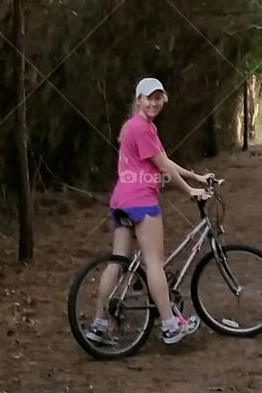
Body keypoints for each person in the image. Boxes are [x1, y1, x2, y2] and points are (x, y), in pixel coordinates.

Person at [86, 77, 212, 346]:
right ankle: (169, 324)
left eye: (158, 97)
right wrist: (190, 192)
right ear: (139, 100)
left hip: (121, 200)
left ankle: (98, 324)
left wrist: (196, 178)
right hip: (140, 200)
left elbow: (165, 160)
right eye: (148, 97)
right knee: (154, 262)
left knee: (117, 263)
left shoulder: (136, 127)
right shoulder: (142, 128)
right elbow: (164, 168)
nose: (154, 102)